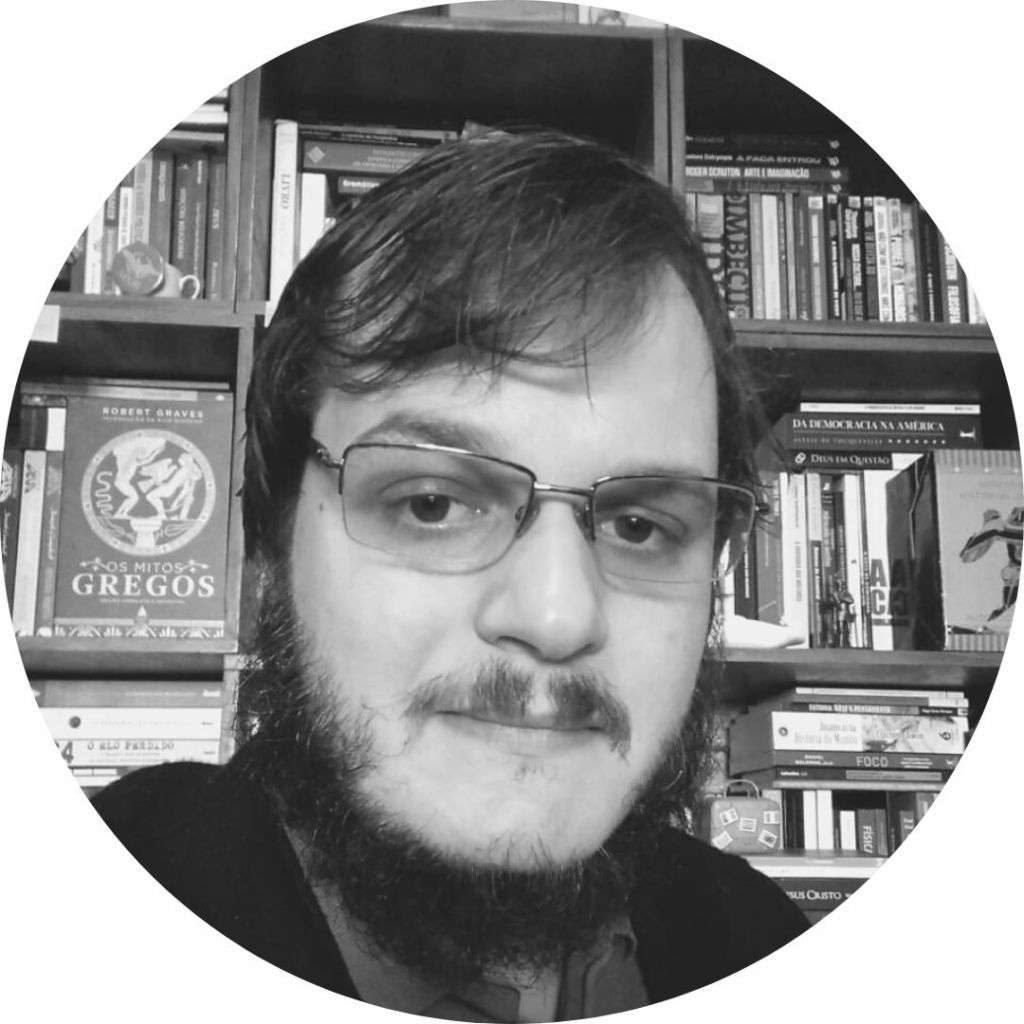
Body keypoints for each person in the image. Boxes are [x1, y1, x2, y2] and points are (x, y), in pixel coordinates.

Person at [92, 128, 809, 1019]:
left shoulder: (759, 942)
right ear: (267, 555)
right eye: (432, 504)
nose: (556, 615)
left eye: (639, 525)